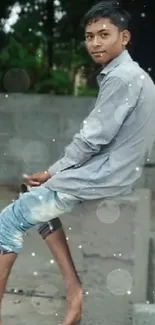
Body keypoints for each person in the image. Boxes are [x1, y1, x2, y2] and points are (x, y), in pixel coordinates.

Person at [1, 1, 155, 325]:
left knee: (6, 224)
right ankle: (74, 289)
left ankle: (74, 292)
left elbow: (93, 138)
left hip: (102, 177)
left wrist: (54, 172)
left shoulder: (122, 78)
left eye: (104, 34)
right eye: (89, 36)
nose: (95, 43)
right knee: (29, 191)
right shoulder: (136, 75)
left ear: (124, 37)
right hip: (116, 174)